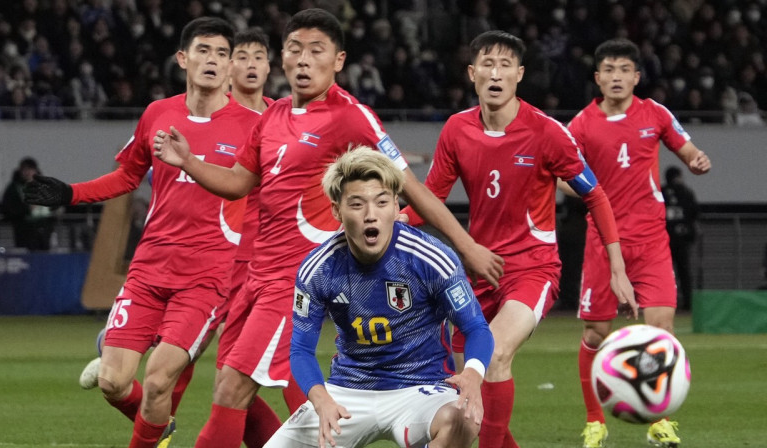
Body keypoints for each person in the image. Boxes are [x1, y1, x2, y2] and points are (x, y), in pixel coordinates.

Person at [153, 9, 503, 447]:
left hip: (292, 277)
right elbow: (239, 183)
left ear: (338, 60)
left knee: (232, 390)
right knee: (233, 384)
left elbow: (409, 186)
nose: (303, 60)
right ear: (282, 58)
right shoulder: (273, 115)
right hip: (256, 278)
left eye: (315, 51)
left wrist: (466, 245)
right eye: (294, 49)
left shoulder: (351, 116)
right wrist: (188, 161)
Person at [24, 18, 267, 448]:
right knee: (113, 382)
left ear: (230, 67)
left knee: (159, 382)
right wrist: (71, 193)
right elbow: (128, 176)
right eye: (203, 51)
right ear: (182, 58)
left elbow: (265, 189)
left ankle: (149, 433)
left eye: (221, 54)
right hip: (148, 269)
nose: (212, 61)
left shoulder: (251, 126)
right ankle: (157, 428)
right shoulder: (159, 114)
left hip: (206, 277)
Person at [402, 30, 635, 448]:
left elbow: (595, 195)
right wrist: (389, 222)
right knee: (467, 388)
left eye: (505, 65)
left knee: (491, 356)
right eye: (487, 65)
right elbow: (428, 201)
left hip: (532, 268)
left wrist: (617, 268)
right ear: (472, 74)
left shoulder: (547, 133)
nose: (496, 73)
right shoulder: (456, 130)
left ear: (520, 74)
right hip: (475, 274)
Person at [264, 146, 493, 447]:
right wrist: (321, 400)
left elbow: (476, 327)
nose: (371, 216)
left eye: (381, 202)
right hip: (348, 392)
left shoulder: (430, 258)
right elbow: (301, 350)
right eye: (357, 204)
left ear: (396, 207)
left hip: (421, 388)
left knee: (462, 419)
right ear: (337, 210)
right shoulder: (318, 269)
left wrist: (473, 374)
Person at [567, 38, 711, 448]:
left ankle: (658, 420)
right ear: (598, 78)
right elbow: (562, 178)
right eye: (608, 70)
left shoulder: (655, 113)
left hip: (650, 239)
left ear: (636, 76)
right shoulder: (580, 125)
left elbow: (686, 148)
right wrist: (586, 190)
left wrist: (696, 159)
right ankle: (595, 420)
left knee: (662, 330)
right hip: (603, 240)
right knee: (596, 333)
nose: (616, 76)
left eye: (624, 69)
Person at [662, 166, 700, 311]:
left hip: (664, 239)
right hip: (682, 239)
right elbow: (695, 213)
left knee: (665, 272)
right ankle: (687, 303)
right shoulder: (686, 192)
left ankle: (665, 302)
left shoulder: (661, 192)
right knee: (684, 271)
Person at [0, 157, 54, 251]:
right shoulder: (14, 188)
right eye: (25, 170)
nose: (28, 173)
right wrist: (27, 209)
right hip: (24, 230)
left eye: (30, 169)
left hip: (45, 229)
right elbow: (8, 209)